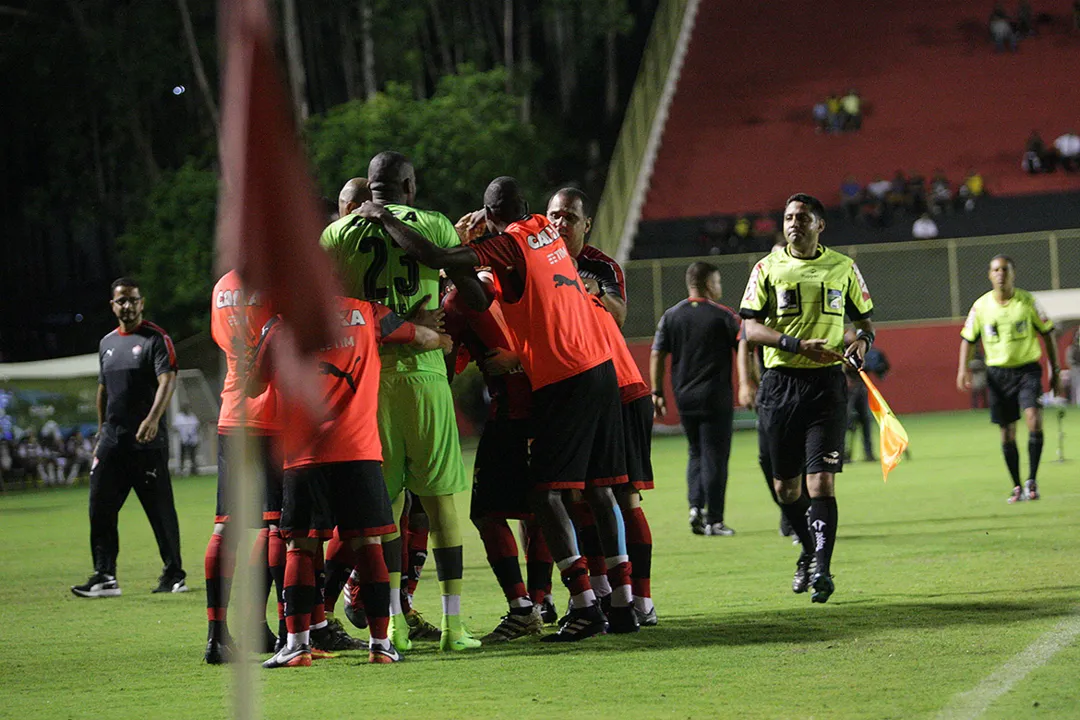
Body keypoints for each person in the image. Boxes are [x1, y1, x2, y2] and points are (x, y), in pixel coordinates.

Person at [357, 176, 636, 641]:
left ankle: (582, 603)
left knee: (544, 496)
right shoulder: (546, 230)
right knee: (600, 490)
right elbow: (486, 291)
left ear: (488, 217)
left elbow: (444, 262)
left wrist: (384, 216)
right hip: (602, 368)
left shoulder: (508, 246)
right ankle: (623, 604)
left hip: (560, 378)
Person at [321, 154, 484, 652]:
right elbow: (468, 289)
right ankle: (453, 626)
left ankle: (393, 624)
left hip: (366, 384)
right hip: (426, 376)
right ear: (410, 184)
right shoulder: (433, 223)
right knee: (440, 505)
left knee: (385, 508)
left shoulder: (336, 235)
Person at [251, 295, 450, 668]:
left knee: (299, 547)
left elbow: (253, 383)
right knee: (370, 543)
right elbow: (419, 337)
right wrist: (441, 339)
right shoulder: (368, 312)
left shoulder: (282, 320)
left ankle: (297, 645)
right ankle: (380, 644)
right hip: (359, 451)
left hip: (305, 453)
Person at [739, 194, 875, 604]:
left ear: (820, 225)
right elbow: (749, 329)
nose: (793, 223)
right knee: (786, 489)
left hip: (827, 387)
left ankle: (822, 568)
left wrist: (862, 345)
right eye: (788, 217)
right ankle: (808, 550)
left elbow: (865, 323)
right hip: (781, 383)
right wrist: (795, 344)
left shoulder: (844, 267)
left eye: (802, 217)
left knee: (821, 482)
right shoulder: (767, 268)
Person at [546, 188, 656, 625]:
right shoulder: (538, 264)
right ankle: (606, 597)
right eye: (554, 215)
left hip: (619, 389)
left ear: (585, 224)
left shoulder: (599, 266)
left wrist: (585, 287)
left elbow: (619, 315)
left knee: (619, 494)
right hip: (580, 394)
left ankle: (640, 601)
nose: (560, 224)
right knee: (580, 494)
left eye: (570, 217)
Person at [72, 278, 185, 597]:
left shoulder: (156, 339)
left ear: (141, 303)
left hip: (146, 442)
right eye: (121, 301)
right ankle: (105, 575)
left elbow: (168, 381)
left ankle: (174, 572)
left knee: (159, 509)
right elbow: (103, 390)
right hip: (112, 442)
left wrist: (152, 419)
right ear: (113, 305)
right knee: (99, 506)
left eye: (133, 300)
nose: (128, 306)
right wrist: (100, 431)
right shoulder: (106, 343)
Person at [957, 255, 1060, 503]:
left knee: (1033, 419)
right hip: (997, 374)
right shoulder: (981, 306)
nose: (1001, 273)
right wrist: (963, 370)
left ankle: (1032, 480)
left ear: (1013, 273)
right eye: (996, 269)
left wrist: (1055, 369)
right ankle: (1016, 485)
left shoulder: (1028, 302)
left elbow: (1047, 333)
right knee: (1007, 432)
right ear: (989, 275)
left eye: (1005, 269)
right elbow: (968, 339)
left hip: (1027, 370)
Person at [652, 262, 744, 537]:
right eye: (717, 282)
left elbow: (657, 353)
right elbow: (744, 347)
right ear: (707, 284)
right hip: (715, 396)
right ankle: (714, 519)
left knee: (695, 452)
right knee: (715, 455)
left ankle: (695, 508)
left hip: (684, 396)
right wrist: (749, 382)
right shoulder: (724, 315)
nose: (720, 288)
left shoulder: (671, 316)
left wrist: (656, 391)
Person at [173, 405, 200, 476]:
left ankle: (194, 470)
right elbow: (175, 428)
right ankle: (181, 470)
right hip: (184, 439)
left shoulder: (192, 416)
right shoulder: (179, 417)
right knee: (182, 455)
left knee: (192, 455)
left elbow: (197, 426)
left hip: (192, 440)